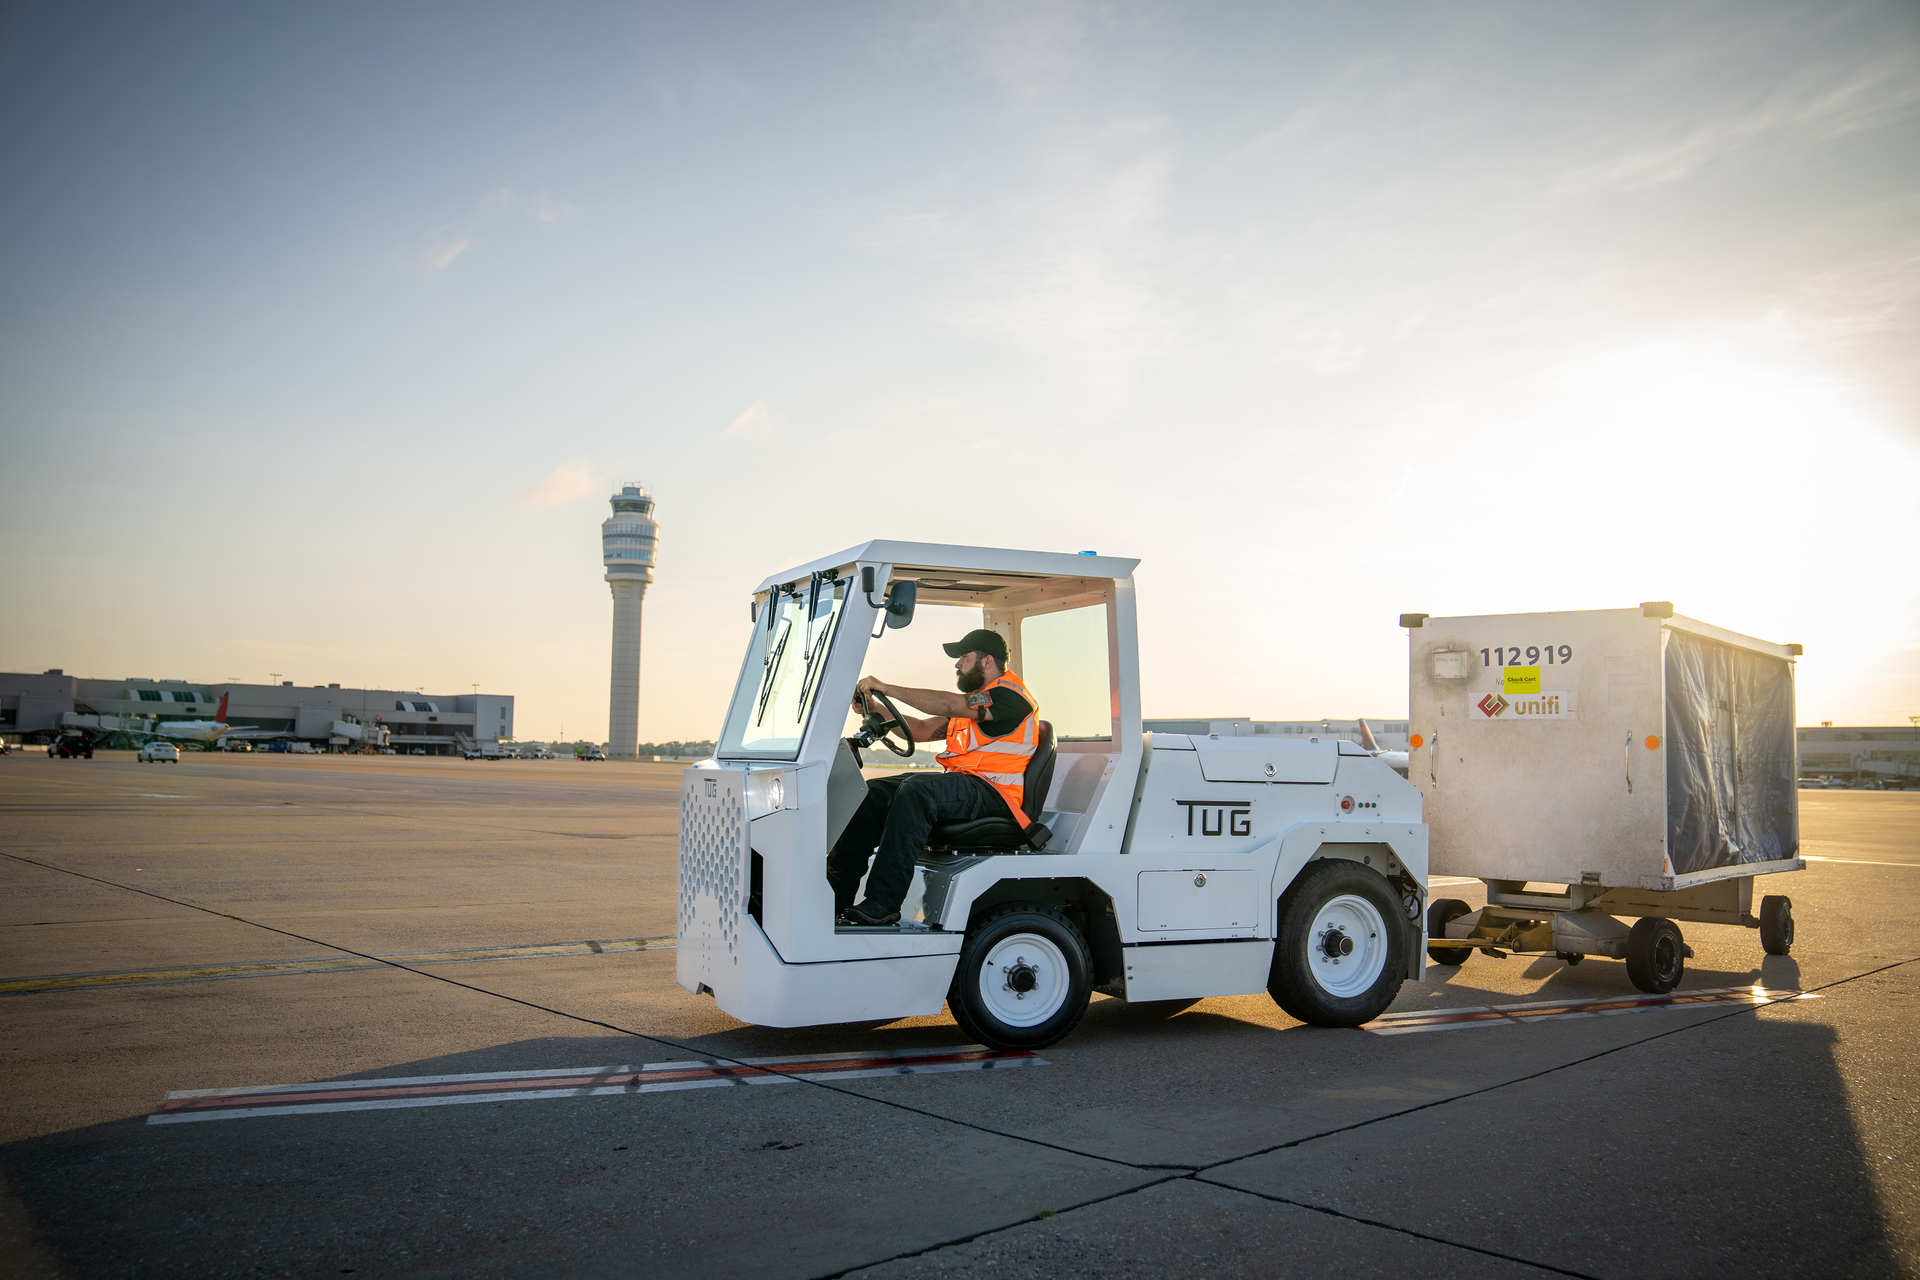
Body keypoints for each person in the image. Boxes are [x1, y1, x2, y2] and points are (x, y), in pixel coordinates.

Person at [830, 628, 1041, 926]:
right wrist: (876, 709)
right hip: (964, 784)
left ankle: (883, 902)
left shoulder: (1010, 697)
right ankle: (833, 898)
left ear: (987, 661)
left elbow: (949, 704)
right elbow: (920, 730)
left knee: (918, 790)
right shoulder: (975, 701)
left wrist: (886, 688)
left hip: (996, 794)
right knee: (873, 793)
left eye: (964, 658)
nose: (957, 665)